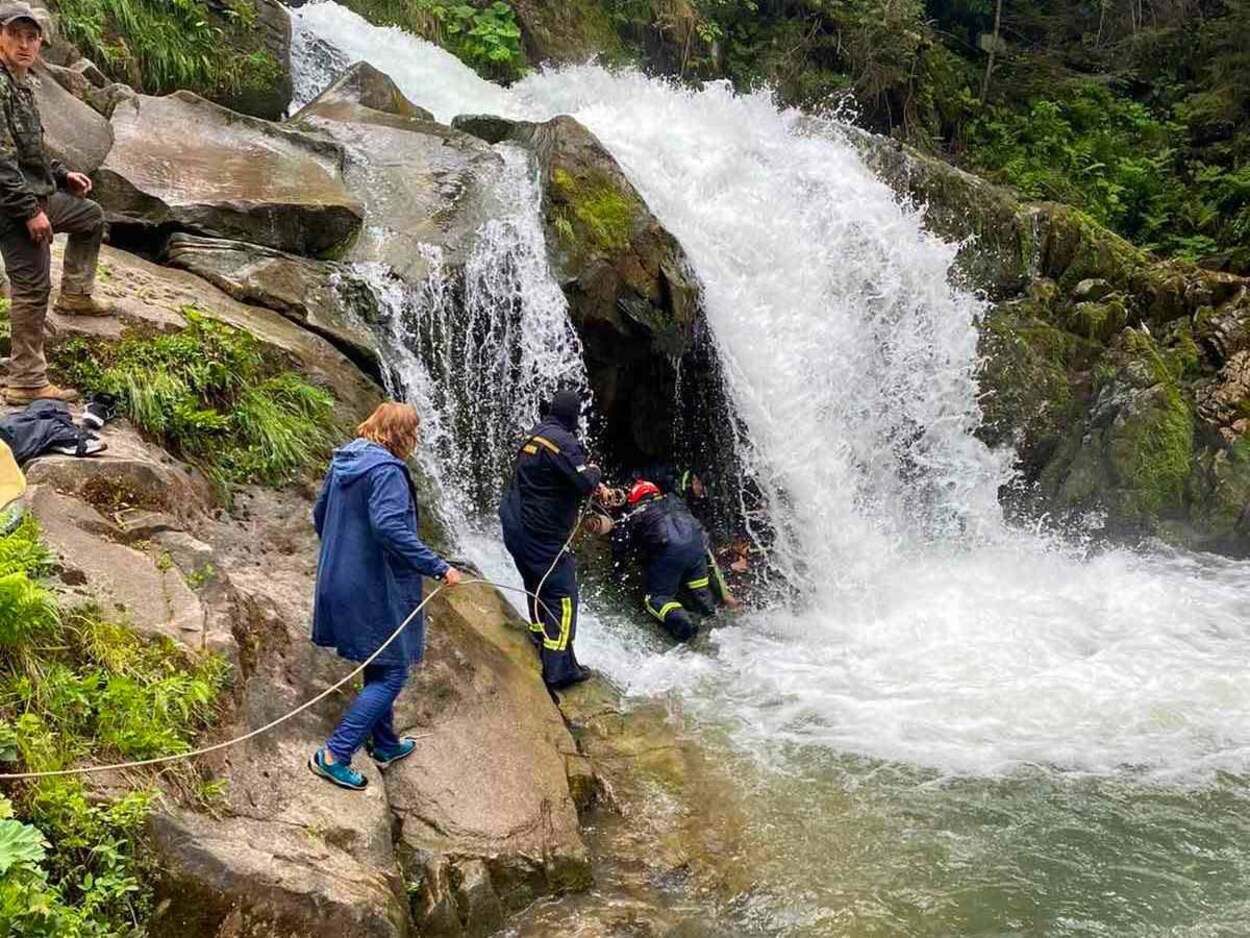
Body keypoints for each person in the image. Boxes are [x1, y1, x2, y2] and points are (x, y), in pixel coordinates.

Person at [308, 402, 462, 791]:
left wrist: (343, 554)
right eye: (414, 434)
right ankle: (335, 754)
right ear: (402, 435)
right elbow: (391, 528)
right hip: (370, 585)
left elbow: (319, 514)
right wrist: (437, 566)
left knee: (381, 658)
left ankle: (387, 743)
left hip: (338, 578)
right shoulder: (387, 471)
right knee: (393, 671)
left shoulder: (345, 460)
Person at [0, 2, 115, 406]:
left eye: (32, 37)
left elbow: (30, 150)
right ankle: (26, 380)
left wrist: (62, 173)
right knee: (31, 288)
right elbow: (1, 163)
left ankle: (77, 294)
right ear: (0, 37)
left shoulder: (22, 83)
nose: (25, 44)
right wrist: (31, 212)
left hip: (34, 192)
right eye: (16, 35)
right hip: (10, 206)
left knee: (90, 216)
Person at [500, 388, 605, 690]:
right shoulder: (563, 442)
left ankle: (538, 634)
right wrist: (595, 470)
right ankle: (559, 667)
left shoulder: (535, 435)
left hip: (515, 526)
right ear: (572, 415)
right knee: (563, 595)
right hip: (540, 534)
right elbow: (585, 481)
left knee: (536, 582)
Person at [610, 479, 737, 642]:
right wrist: (725, 593)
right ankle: (714, 617)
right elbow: (702, 537)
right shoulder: (676, 501)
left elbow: (619, 544)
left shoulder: (636, 512)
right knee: (700, 590)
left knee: (657, 598)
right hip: (697, 547)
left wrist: (618, 573)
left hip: (669, 554)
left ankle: (683, 625)